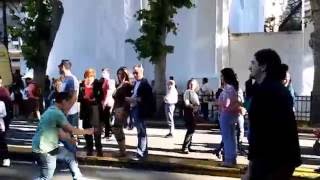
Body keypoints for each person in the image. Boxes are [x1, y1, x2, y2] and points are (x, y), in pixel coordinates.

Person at [243, 49, 301, 180]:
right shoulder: (275, 89)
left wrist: (250, 169)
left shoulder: (266, 92)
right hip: (282, 159)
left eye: (253, 63)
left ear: (263, 67)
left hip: (271, 161)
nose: (249, 67)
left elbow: (259, 133)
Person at [32, 91, 94, 180]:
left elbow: (60, 133)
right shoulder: (57, 114)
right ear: (64, 102)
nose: (70, 107)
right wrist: (87, 131)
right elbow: (71, 129)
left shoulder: (51, 110)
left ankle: (78, 177)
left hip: (45, 146)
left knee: (69, 156)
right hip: (45, 148)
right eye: (70, 103)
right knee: (46, 177)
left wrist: (69, 139)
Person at [125, 64, 154, 160]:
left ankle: (141, 152)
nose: (134, 74)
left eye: (136, 73)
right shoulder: (136, 83)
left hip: (140, 109)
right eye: (133, 73)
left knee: (141, 131)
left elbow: (145, 99)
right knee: (140, 131)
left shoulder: (145, 84)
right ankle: (142, 151)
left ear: (142, 72)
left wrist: (132, 100)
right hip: (135, 108)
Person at [217, 68, 240, 167]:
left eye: (222, 76)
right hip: (232, 114)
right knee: (232, 137)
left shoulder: (228, 88)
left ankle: (228, 160)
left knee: (227, 138)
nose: (221, 78)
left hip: (226, 114)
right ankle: (232, 158)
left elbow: (226, 103)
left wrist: (218, 102)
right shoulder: (233, 88)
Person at [78, 68, 103, 157]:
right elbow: (78, 98)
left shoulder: (97, 84)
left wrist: (94, 99)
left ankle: (99, 150)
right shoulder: (82, 84)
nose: (88, 79)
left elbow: (101, 96)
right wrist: (83, 97)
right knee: (86, 129)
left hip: (94, 109)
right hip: (85, 109)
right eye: (87, 77)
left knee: (96, 130)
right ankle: (89, 149)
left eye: (90, 77)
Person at [58, 59, 80, 153]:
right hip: (66, 111)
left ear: (63, 67)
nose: (58, 69)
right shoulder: (66, 79)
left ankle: (72, 158)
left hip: (69, 112)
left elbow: (73, 97)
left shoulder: (71, 79)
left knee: (66, 136)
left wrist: (65, 111)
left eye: (60, 67)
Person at [112, 67, 132, 157]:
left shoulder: (126, 85)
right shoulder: (120, 84)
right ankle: (122, 150)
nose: (120, 76)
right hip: (117, 108)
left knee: (117, 128)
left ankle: (122, 150)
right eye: (118, 74)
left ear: (126, 75)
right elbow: (114, 95)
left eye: (122, 74)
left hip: (121, 109)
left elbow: (126, 99)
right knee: (117, 129)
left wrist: (123, 110)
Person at [181, 79, 200, 154]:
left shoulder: (193, 92)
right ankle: (185, 147)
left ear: (196, 85)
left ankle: (188, 146)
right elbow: (186, 103)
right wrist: (194, 106)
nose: (191, 85)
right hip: (189, 113)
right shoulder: (187, 92)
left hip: (193, 113)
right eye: (190, 84)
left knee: (192, 129)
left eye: (193, 84)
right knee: (190, 130)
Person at [99, 68, 116, 139]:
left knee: (108, 118)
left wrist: (105, 102)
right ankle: (106, 133)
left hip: (108, 102)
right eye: (102, 73)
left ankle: (109, 133)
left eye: (104, 73)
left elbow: (109, 93)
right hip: (104, 101)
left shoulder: (111, 81)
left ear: (108, 74)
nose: (103, 74)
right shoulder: (103, 81)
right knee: (105, 118)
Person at [0, 76, 12, 167]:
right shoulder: (5, 91)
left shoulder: (4, 92)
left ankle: (5, 158)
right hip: (3, 121)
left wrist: (6, 122)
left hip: (2, 122)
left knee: (1, 141)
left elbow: (7, 111)